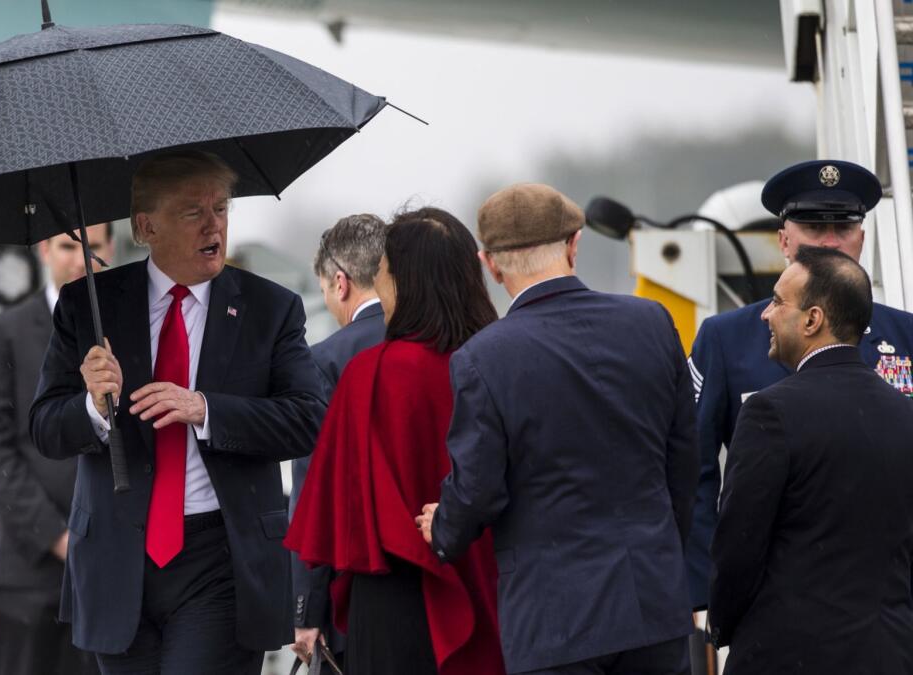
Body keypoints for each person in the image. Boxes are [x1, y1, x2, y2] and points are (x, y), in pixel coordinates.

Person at [28, 150, 326, 675]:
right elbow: (46, 429)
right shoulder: (88, 305)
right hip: (116, 559)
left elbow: (308, 420)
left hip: (222, 560)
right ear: (146, 226)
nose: (214, 225)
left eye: (221, 208)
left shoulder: (270, 308)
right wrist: (94, 410)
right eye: (193, 212)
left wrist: (205, 409)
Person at [418, 184, 698, 675]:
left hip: (553, 620)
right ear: (574, 244)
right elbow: (683, 462)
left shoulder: (483, 358)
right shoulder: (651, 322)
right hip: (652, 600)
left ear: (490, 263)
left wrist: (442, 529)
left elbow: (479, 489)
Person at [685, 160, 913, 614]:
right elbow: (694, 470)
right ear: (784, 240)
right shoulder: (726, 339)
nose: (830, 241)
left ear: (862, 240)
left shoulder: (905, 336)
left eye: (843, 226)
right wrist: (707, 590)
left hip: (886, 597)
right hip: (771, 597)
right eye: (813, 225)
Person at [286, 207, 504, 675]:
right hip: (493, 576)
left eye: (384, 272)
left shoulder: (370, 372)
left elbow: (329, 505)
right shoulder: (496, 358)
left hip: (391, 595)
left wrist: (309, 607)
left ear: (405, 280)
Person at [707, 246, 913, 674]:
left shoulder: (770, 412)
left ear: (812, 320)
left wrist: (721, 626)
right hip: (887, 652)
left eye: (779, 302)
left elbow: (738, 545)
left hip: (787, 654)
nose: (766, 314)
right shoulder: (904, 413)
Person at [0, 224, 110, 675]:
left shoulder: (131, 329)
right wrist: (57, 536)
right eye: (70, 246)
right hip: (26, 577)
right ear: (45, 250)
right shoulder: (3, 332)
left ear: (111, 249)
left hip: (110, 576)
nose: (80, 260)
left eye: (94, 247)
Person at [288, 213, 388, 666]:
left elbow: (315, 494)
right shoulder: (442, 342)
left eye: (326, 290)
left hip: (354, 596)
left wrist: (306, 609)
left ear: (341, 283)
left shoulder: (325, 362)